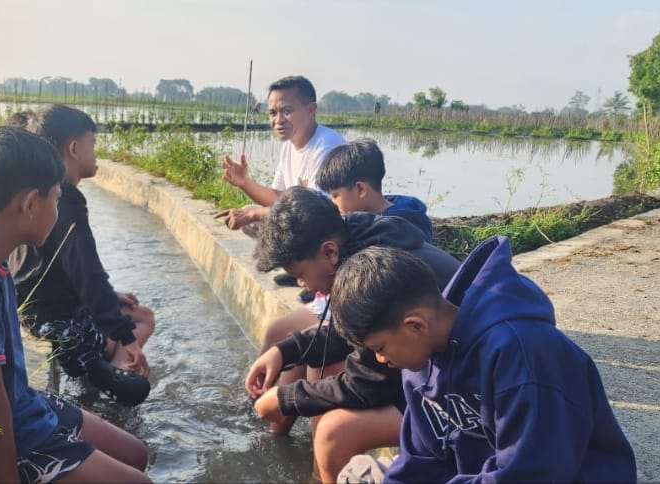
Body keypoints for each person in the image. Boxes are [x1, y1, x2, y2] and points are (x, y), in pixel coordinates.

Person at [0, 126, 150, 483]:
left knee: (134, 454)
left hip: (20, 402)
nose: (59, 208)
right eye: (56, 197)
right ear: (31, 203)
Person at [332, 239, 637, 483]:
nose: (381, 359)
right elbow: (420, 462)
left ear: (415, 326)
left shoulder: (522, 352)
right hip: (480, 474)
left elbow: (531, 473)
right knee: (357, 475)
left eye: (380, 347)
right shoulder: (419, 367)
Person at [244, 187, 460, 483]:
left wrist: (287, 398)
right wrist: (283, 352)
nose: (299, 282)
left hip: (455, 388)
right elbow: (349, 332)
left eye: (299, 272)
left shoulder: (375, 271)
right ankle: (313, 471)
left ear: (329, 251)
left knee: (335, 434)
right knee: (316, 363)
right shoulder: (357, 237)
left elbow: (369, 385)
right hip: (426, 364)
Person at [6, 106, 156, 407]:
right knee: (137, 328)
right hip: (58, 319)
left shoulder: (36, 194)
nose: (96, 153)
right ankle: (109, 388)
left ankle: (100, 374)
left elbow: (61, 267)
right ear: (74, 148)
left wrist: (111, 296)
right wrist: (126, 339)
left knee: (140, 314)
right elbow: (88, 274)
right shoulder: (67, 201)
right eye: (93, 145)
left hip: (34, 311)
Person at [214, 75, 345, 236]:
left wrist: (255, 214)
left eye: (287, 111)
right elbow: (277, 198)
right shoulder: (289, 146)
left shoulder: (326, 145)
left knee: (255, 215)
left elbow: (314, 213)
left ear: (311, 110)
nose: (278, 120)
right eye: (272, 113)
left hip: (329, 229)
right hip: (306, 222)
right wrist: (244, 183)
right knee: (250, 215)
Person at [314, 138, 433, 243]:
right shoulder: (407, 212)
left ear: (361, 190)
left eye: (335, 196)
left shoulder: (391, 232)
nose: (332, 203)